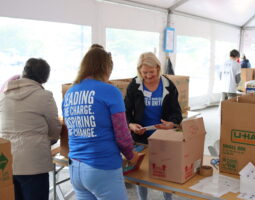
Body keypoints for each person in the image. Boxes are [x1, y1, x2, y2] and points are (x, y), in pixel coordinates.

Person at [62, 46, 140, 200]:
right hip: (102, 166)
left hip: (75, 167)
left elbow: (69, 127)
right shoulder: (110, 91)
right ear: (105, 68)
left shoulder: (70, 93)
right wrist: (131, 155)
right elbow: (121, 132)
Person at [0, 58, 61, 200]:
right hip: (34, 163)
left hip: (7, 163)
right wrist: (50, 139)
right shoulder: (44, 96)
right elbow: (54, 128)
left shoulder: (3, 96)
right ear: (45, 78)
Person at [124, 52, 182, 200]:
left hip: (163, 137)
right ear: (139, 71)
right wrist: (130, 124)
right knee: (141, 174)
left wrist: (171, 124)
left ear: (158, 68)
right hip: (140, 137)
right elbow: (125, 110)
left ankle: (167, 197)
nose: (148, 76)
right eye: (144, 73)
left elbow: (176, 113)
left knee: (165, 171)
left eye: (151, 72)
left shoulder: (168, 85)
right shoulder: (135, 85)